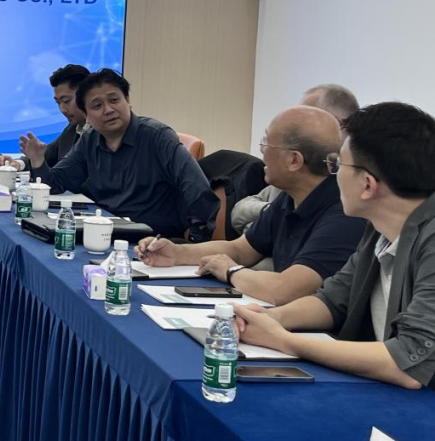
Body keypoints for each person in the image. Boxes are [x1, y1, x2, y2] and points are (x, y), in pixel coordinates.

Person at [234, 102, 435, 389]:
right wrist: (269, 318)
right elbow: (333, 299)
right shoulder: (380, 229)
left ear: (367, 185)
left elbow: (409, 364)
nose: (333, 175)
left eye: (338, 165)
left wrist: (283, 340)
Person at [138, 106, 367, 305]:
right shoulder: (290, 197)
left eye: (266, 142)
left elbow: (286, 290)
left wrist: (231, 271)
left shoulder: (343, 214)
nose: (261, 151)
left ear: (294, 160)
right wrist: (176, 253)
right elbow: (241, 250)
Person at [21, 69, 219, 241]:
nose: (109, 110)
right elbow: (57, 183)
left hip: (152, 239)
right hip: (105, 231)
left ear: (128, 101)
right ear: (86, 115)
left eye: (114, 100)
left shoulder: (157, 136)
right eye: (97, 106)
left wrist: (195, 241)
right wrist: (37, 160)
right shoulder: (90, 139)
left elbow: (196, 187)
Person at [232, 83, 360, 233]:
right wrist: (271, 214)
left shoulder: (345, 183)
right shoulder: (289, 173)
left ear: (336, 123)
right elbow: (239, 211)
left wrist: (269, 222)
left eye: (306, 115)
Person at [0, 64, 90, 170]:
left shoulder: (101, 134)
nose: (62, 109)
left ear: (86, 95)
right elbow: (45, 156)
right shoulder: (72, 130)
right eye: (58, 103)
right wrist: (17, 164)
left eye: (66, 101)